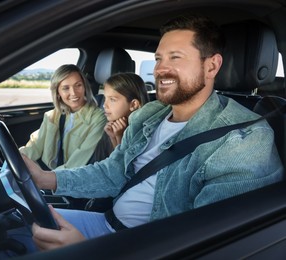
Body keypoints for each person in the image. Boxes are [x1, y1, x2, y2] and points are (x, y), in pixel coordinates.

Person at [18, 14, 284, 252]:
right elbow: (112, 172)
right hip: (107, 224)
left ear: (212, 66)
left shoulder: (244, 139)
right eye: (158, 58)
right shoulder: (150, 114)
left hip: (147, 246)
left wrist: (86, 252)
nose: (160, 69)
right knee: (11, 225)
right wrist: (45, 178)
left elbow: (208, 244)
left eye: (175, 58)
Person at [18, 64, 106, 170]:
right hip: (45, 171)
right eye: (65, 88)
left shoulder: (98, 118)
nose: (73, 93)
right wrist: (17, 158)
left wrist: (46, 178)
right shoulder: (52, 116)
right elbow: (35, 146)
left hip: (64, 179)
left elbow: (77, 163)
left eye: (78, 85)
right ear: (58, 92)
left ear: (85, 87)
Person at [93, 72, 149, 161]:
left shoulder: (145, 134)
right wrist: (113, 137)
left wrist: (119, 137)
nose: (104, 105)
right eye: (105, 98)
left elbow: (123, 167)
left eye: (112, 99)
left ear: (133, 104)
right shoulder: (111, 128)